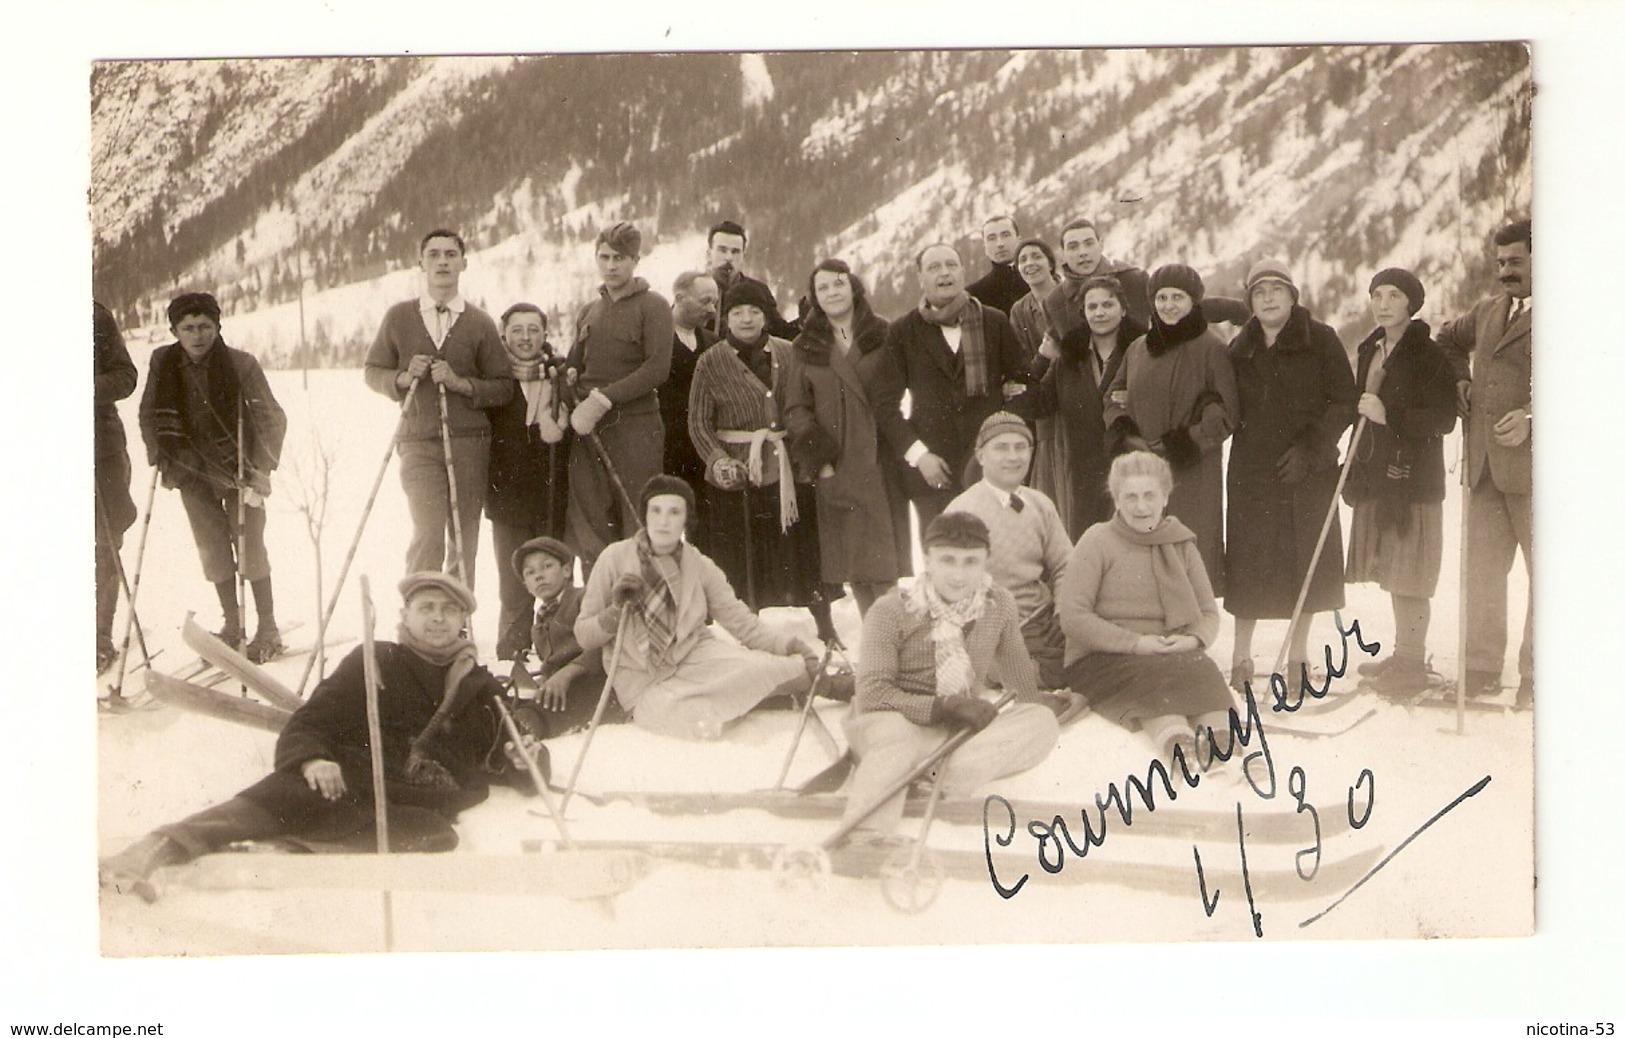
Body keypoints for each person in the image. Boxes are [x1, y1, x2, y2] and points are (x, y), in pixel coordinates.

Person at [99, 573, 538, 901]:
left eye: (448, 609)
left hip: (419, 795)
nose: (438, 618)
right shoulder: (375, 658)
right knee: (291, 794)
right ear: (405, 615)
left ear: (463, 620)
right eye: (427, 607)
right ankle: (157, 848)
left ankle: (283, 852)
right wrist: (312, 760)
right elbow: (311, 721)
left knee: (433, 835)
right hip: (352, 771)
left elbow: (507, 745)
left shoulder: (479, 684)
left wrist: (523, 758)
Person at [839, 511, 1061, 842]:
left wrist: (1037, 711)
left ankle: (930, 777)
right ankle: (867, 833)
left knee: (1040, 721)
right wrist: (943, 707)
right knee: (898, 736)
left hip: (953, 730)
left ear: (987, 561)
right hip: (890, 722)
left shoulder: (998, 604)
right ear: (926, 560)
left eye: (971, 562)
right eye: (948, 560)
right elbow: (873, 695)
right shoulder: (891, 611)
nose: (958, 575)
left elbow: (1019, 679)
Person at [573, 475, 826, 741]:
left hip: (697, 661)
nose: (663, 521)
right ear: (644, 515)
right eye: (656, 510)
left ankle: (805, 683)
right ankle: (750, 698)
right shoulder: (614, 558)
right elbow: (584, 635)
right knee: (680, 720)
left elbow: (742, 623)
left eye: (674, 512)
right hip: (642, 679)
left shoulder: (699, 564)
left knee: (760, 668)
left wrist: (791, 646)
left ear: (686, 518)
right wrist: (615, 610)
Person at [1055, 451, 1235, 769]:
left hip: (1166, 650)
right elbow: (1073, 616)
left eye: (1150, 495)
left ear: (1165, 497)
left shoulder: (1182, 543)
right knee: (1154, 673)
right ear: (1116, 498)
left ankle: (1222, 744)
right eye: (1131, 496)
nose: (1141, 506)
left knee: (1201, 666)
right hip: (1102, 658)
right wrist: (1136, 644)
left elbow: (1208, 613)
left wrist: (1192, 640)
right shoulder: (1097, 540)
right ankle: (1177, 743)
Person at [1224, 260, 1358, 688]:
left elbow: (1343, 401)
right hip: (1252, 470)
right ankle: (1241, 656)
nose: (1268, 297)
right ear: (1249, 302)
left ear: (1292, 296)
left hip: (1307, 471)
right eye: (1259, 291)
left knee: (1307, 561)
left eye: (1276, 289)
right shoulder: (1239, 348)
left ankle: (1298, 656)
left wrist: (1313, 449)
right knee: (1248, 561)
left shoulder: (1321, 339)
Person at [138, 292, 288, 661]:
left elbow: (272, 418)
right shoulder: (164, 361)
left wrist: (260, 470)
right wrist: (163, 457)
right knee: (213, 549)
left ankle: (267, 627)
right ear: (174, 330)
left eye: (205, 326)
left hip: (240, 471)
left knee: (250, 547)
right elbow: (149, 414)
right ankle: (233, 625)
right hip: (192, 470)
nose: (197, 335)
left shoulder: (241, 365)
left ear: (218, 326)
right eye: (187, 328)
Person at [363, 229, 513, 587]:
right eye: (433, 255)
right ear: (421, 264)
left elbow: (504, 386)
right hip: (419, 440)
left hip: (469, 442)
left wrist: (462, 384)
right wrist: (401, 377)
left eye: (450, 254)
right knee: (428, 531)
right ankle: (419, 616)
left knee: (463, 537)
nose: (442, 261)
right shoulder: (400, 316)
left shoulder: (479, 322)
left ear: (464, 263)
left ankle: (455, 620)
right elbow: (372, 371)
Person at [687, 280, 829, 636]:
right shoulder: (710, 361)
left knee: (802, 551)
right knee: (743, 559)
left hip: (787, 470)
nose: (746, 319)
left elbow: (808, 404)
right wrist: (719, 462)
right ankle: (748, 632)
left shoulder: (789, 351)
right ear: (726, 318)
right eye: (737, 312)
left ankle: (825, 625)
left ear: (766, 315)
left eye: (754, 311)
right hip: (738, 474)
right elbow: (698, 424)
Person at [1342, 269, 1458, 695]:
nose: (1384, 303)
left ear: (1412, 303)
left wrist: (1388, 415)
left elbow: (1443, 418)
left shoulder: (1427, 354)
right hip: (1379, 475)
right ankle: (1403, 653)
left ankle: (1411, 661)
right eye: (1377, 295)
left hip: (1414, 477)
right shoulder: (1370, 347)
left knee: (1411, 571)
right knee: (1393, 568)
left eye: (1394, 295)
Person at [1437, 219, 1533, 707]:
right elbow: (1447, 340)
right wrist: (1460, 380)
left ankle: (1539, 678)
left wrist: (1534, 417)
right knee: (1483, 571)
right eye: (1500, 263)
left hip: (1539, 473)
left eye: (1515, 262)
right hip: (1483, 469)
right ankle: (1479, 668)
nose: (1504, 273)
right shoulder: (1487, 310)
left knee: (1549, 575)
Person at [781, 259, 911, 620]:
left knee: (885, 566)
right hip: (835, 464)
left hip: (880, 460)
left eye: (838, 283)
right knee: (855, 566)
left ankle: (895, 641)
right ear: (815, 298)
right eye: (823, 288)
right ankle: (875, 644)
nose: (832, 292)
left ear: (853, 287)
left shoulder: (883, 332)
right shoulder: (805, 346)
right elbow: (795, 408)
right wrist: (820, 462)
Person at [877, 241, 1032, 532]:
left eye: (950, 265)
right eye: (934, 267)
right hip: (934, 472)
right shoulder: (903, 331)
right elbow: (885, 406)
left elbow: (1022, 386)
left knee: (998, 556)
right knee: (944, 560)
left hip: (991, 467)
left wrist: (1001, 442)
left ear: (963, 272)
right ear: (921, 278)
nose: (944, 273)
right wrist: (920, 457)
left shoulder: (993, 321)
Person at [1103, 264, 1237, 595]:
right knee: (1143, 547)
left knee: (1189, 548)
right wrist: (1128, 437)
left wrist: (1184, 442)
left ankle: (1193, 634)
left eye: (1178, 297)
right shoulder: (1137, 349)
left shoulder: (1212, 347)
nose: (1169, 305)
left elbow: (1227, 410)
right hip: (1141, 468)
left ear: (1194, 301)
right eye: (1161, 297)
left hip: (1191, 469)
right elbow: (1113, 398)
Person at [564, 221, 675, 570]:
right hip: (590, 432)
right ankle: (602, 610)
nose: (611, 266)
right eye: (604, 257)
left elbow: (657, 369)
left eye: (620, 258)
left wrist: (601, 400)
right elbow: (574, 363)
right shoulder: (589, 310)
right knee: (591, 520)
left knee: (637, 517)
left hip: (635, 428)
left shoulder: (652, 306)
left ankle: (647, 608)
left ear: (635, 260)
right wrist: (567, 377)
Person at [946, 413, 1075, 693]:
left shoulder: (1039, 503)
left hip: (1045, 619)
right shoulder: (962, 513)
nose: (1013, 457)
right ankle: (1006, 672)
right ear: (981, 456)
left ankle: (1028, 671)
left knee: (1095, 651)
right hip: (997, 628)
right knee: (1066, 669)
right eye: (1001, 448)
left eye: (1020, 447)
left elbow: (1066, 564)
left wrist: (1063, 611)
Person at [485, 303, 570, 659]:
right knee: (514, 579)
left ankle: (556, 645)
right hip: (506, 493)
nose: (525, 338)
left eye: (533, 330)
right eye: (517, 330)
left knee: (552, 573)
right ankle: (513, 650)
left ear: (544, 335)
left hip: (550, 488)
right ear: (503, 335)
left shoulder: (557, 376)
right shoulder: (494, 377)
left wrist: (561, 419)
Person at [1032, 274, 1147, 539]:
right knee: (1090, 547)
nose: (1100, 313)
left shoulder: (1144, 352)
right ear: (1083, 313)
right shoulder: (1069, 360)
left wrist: (1137, 400)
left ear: (1123, 309)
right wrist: (1042, 359)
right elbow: (1039, 404)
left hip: (1132, 467)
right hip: (1084, 472)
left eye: (1108, 305)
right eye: (1092, 307)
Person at [509, 536, 612, 735]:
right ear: (526, 585)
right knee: (515, 699)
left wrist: (567, 673)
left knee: (541, 713)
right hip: (565, 688)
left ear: (566, 570)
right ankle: (513, 721)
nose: (539, 576)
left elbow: (605, 643)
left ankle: (524, 731)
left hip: (594, 681)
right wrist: (545, 680)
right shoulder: (539, 622)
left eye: (546, 566)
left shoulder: (585, 598)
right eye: (530, 573)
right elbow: (553, 662)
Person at [95, 301, 139, 674]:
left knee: (104, 542)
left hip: (100, 447)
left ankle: (98, 639)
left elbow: (126, 376)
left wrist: (82, 387)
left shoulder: (93, 315)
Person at [662, 271, 721, 549]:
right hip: (663, 451)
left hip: (702, 451)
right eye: (705, 301)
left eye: (715, 302)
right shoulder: (654, 339)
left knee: (705, 529)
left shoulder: (712, 342)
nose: (712, 309)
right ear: (679, 298)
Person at [1040, 218, 1153, 339]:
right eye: (1073, 247)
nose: (1082, 252)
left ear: (1101, 245)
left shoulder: (1135, 280)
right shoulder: (1055, 302)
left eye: (1089, 244)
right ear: (1062, 254)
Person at [702, 219, 799, 340]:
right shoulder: (695, 288)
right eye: (722, 250)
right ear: (709, 253)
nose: (728, 258)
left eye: (735, 252)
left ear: (743, 256)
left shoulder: (758, 290)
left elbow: (781, 333)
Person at [966, 214, 1030, 315]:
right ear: (985, 247)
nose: (1000, 244)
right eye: (991, 238)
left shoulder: (1039, 279)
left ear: (1019, 240)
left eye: (1006, 235)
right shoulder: (974, 294)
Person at [1008, 237, 1061, 360]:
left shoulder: (1073, 295)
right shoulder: (1019, 310)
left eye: (1037, 256)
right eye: (1023, 260)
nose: (1030, 263)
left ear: (1051, 264)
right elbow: (1021, 360)